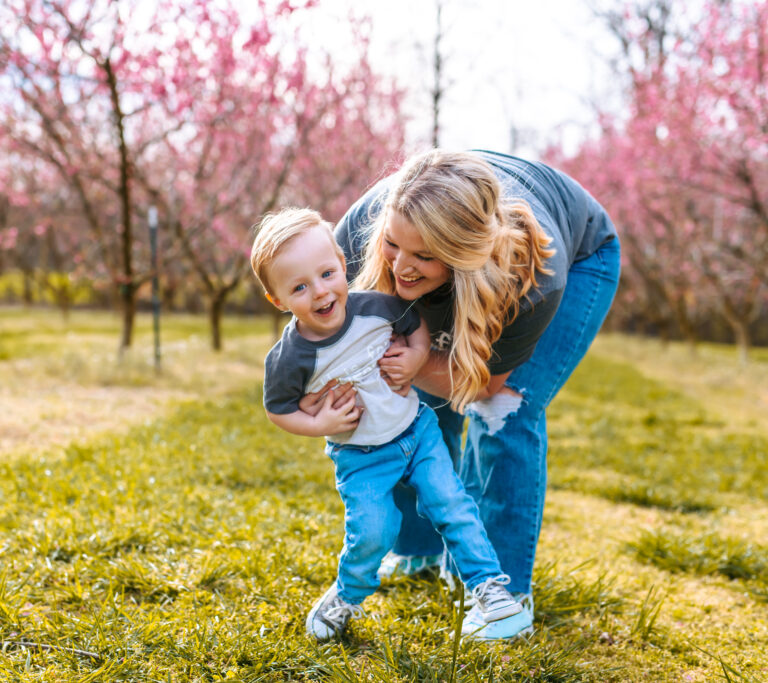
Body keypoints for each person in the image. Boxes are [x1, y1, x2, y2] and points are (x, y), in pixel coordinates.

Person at [324, 149, 621, 640]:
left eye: (424, 255)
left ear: (464, 251)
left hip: (583, 255)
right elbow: (322, 330)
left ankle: (506, 597)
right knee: (407, 394)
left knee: (505, 409)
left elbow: (485, 386)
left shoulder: (533, 278)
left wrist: (418, 363)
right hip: (462, 253)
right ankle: (418, 550)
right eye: (395, 245)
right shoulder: (358, 237)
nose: (401, 266)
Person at [250, 207, 525, 641]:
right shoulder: (291, 357)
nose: (320, 293)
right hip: (360, 457)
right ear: (278, 300)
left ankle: (488, 588)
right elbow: (278, 409)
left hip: (417, 433)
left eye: (326, 274)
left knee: (451, 504)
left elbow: (416, 326)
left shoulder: (378, 307)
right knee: (373, 531)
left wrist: (415, 356)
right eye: (299, 287)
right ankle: (346, 595)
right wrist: (319, 421)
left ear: (343, 264)